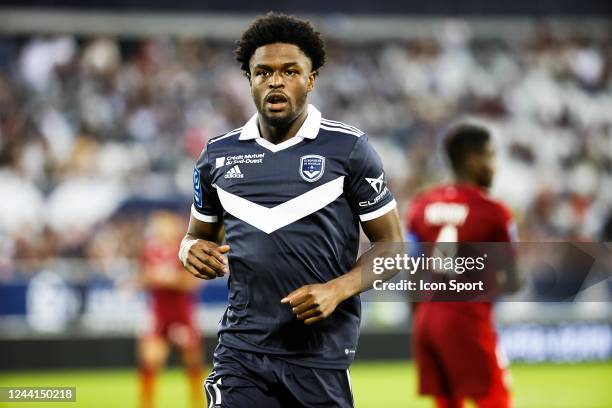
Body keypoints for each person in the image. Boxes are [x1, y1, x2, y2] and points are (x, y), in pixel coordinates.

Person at [178, 12, 403, 408]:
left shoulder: (349, 150)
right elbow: (198, 236)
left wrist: (338, 290)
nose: (275, 81)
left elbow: (394, 248)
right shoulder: (217, 156)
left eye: (290, 71)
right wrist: (188, 249)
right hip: (241, 352)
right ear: (248, 79)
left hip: (320, 356)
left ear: (311, 78)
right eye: (263, 72)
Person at [406, 124, 521, 408]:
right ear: (472, 159)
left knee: (447, 402)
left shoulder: (422, 205)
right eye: (490, 157)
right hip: (468, 317)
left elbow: (411, 269)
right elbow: (512, 279)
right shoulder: (494, 212)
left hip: (427, 320)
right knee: (495, 399)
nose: (493, 166)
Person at [138, 211, 204, 408]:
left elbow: (193, 283)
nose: (162, 229)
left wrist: (170, 279)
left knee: (192, 361)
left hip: (181, 314)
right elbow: (143, 277)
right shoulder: (149, 252)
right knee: (150, 360)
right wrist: (152, 278)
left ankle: (198, 402)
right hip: (159, 314)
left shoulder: (184, 250)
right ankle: (147, 404)